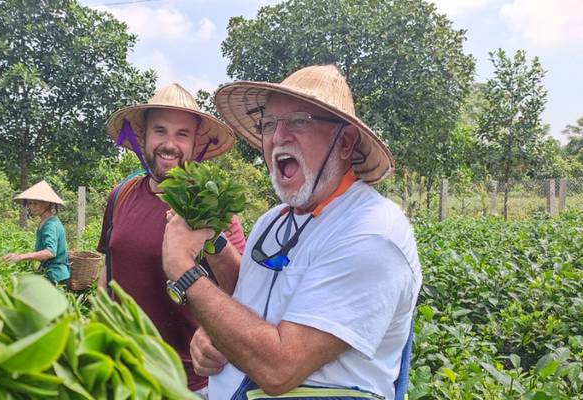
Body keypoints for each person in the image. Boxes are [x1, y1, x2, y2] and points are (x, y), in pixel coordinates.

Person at [161, 65, 423, 400]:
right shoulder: (273, 221)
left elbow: (279, 369)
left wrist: (184, 273)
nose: (277, 136)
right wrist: (215, 328)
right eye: (269, 124)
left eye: (299, 121)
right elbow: (250, 292)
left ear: (344, 142)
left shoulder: (371, 234)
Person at [98, 83, 247, 397]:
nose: (169, 144)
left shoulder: (213, 206)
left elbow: (243, 288)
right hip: (122, 372)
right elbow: (108, 270)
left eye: (182, 134)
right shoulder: (120, 195)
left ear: (195, 145)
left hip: (191, 383)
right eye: (160, 131)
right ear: (144, 138)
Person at [2, 180, 70, 287]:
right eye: (30, 203)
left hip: (56, 277)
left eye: (35, 203)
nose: (31, 207)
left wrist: (21, 257)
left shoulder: (50, 225)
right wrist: (18, 255)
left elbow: (50, 252)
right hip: (49, 274)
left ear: (47, 203)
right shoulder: (45, 222)